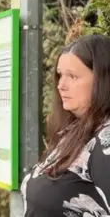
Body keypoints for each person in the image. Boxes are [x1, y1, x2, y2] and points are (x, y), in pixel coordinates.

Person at [21, 34, 110, 216]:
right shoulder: (76, 132)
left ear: (102, 81)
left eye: (73, 76)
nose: (61, 85)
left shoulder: (105, 141)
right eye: (60, 75)